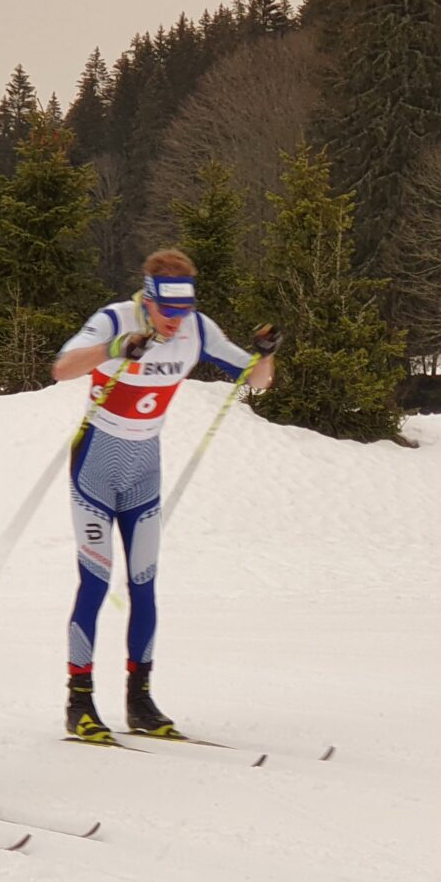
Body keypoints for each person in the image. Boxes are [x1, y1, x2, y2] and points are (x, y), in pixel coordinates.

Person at [48, 248, 279, 742]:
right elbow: (62, 368)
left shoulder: (198, 328)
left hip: (144, 470)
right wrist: (115, 351)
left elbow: (256, 380)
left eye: (183, 311)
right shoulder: (115, 319)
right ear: (148, 300)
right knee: (95, 581)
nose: (176, 323)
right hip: (95, 464)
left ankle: (140, 700)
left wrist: (267, 351)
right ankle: (79, 702)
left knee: (144, 583)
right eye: (167, 312)